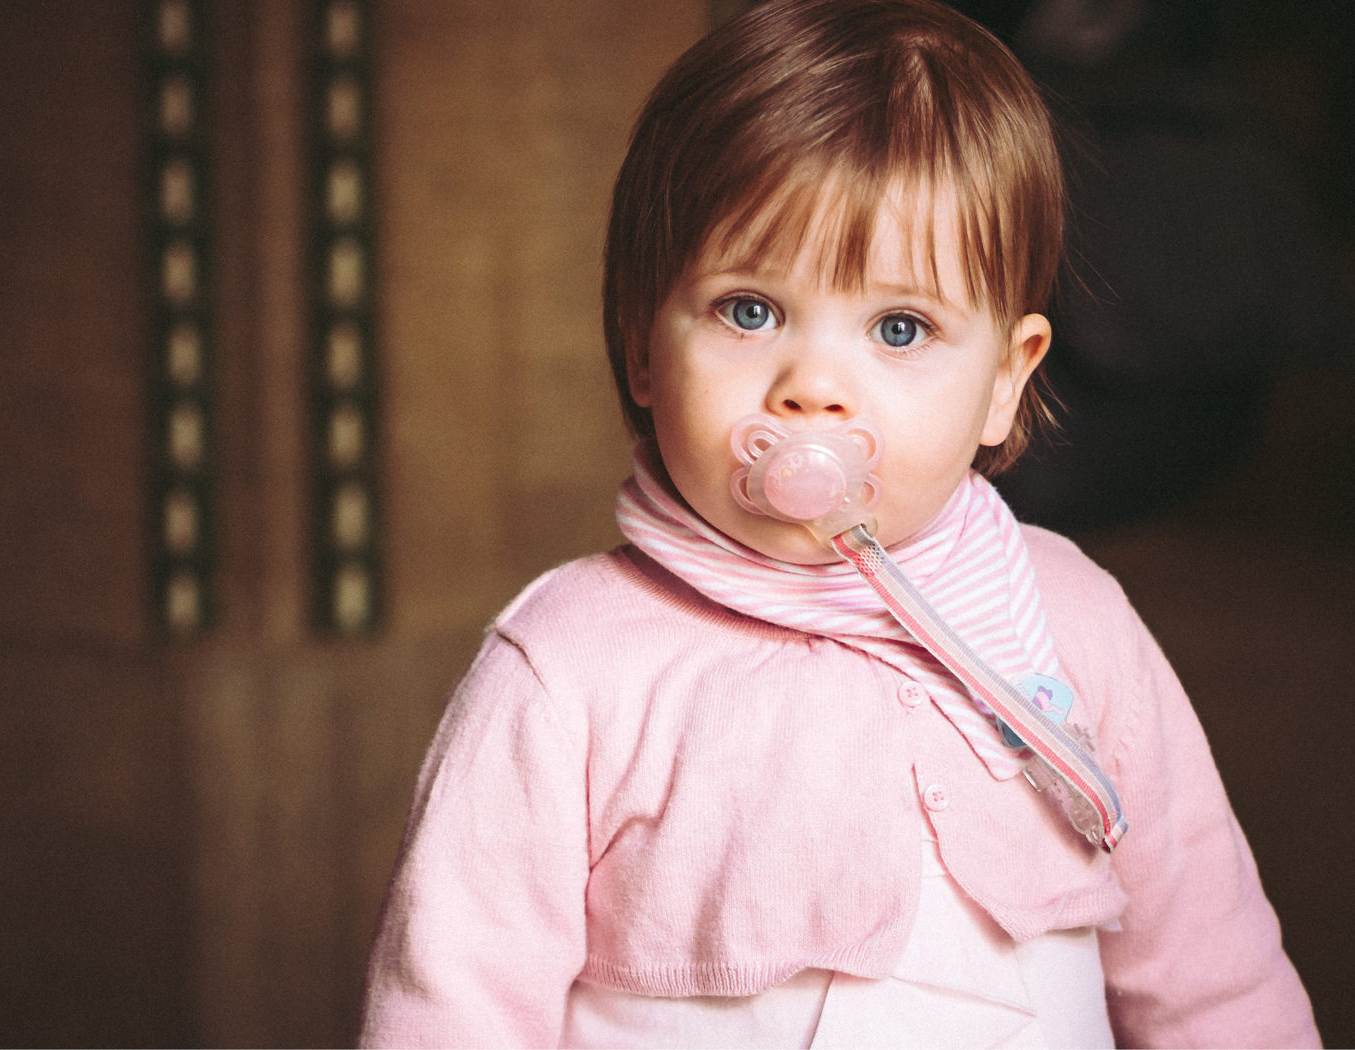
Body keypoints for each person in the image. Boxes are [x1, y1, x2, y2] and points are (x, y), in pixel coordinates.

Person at [359, 1, 1319, 1045]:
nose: (812, 386)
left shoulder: (1068, 622)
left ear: (1005, 381)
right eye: (748, 310)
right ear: (641, 346)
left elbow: (1214, 987)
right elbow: (450, 1011)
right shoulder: (567, 668)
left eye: (899, 328)